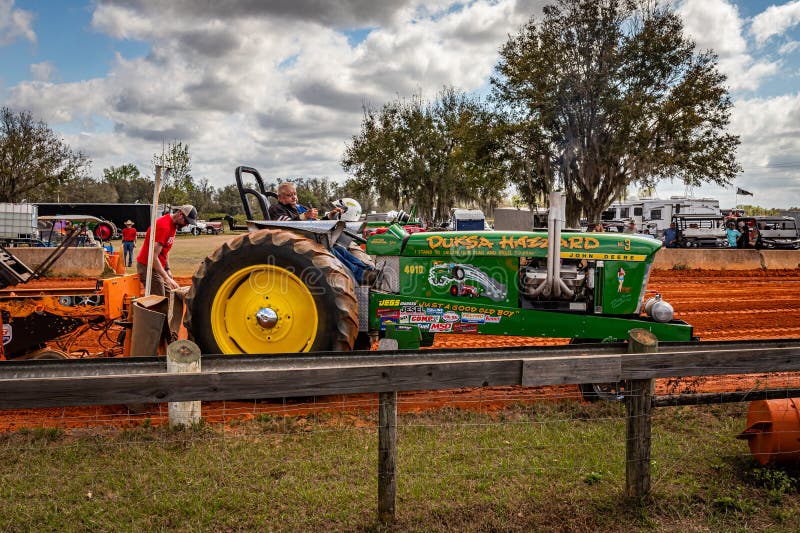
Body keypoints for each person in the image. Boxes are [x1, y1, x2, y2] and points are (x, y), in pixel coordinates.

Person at [268, 183, 376, 285]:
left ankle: (366, 270)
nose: (294, 197)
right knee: (329, 250)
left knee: (339, 248)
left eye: (294, 194)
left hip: (312, 239)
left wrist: (330, 216)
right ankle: (360, 275)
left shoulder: (301, 208)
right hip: (295, 244)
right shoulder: (276, 209)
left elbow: (317, 222)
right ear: (280, 197)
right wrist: (304, 216)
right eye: (289, 195)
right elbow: (286, 225)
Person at [136, 204, 196, 296]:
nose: (186, 225)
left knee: (171, 295)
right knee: (160, 299)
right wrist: (166, 278)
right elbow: (153, 256)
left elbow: (164, 251)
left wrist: (167, 269)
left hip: (157, 268)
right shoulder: (164, 226)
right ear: (180, 214)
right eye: (186, 221)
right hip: (148, 267)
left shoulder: (174, 226)